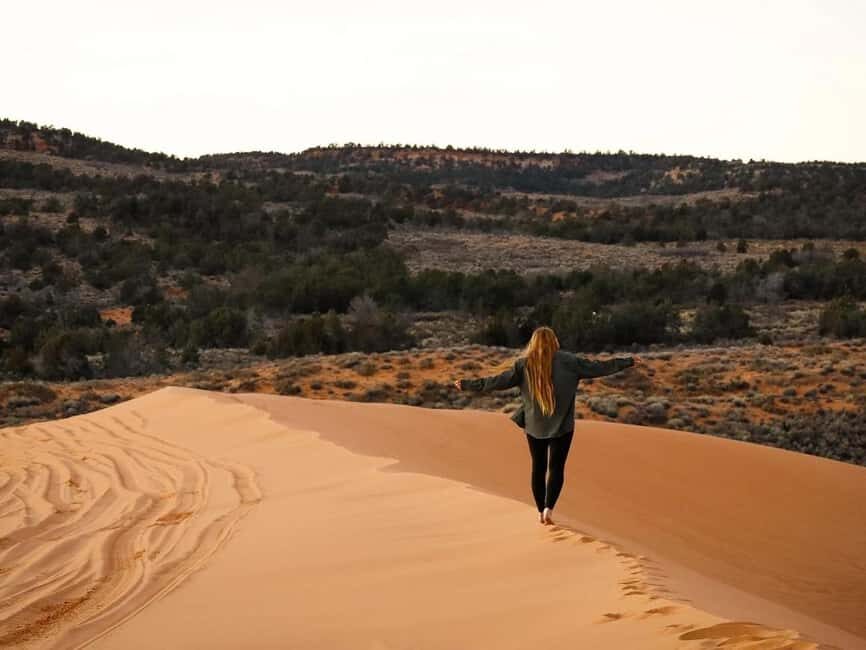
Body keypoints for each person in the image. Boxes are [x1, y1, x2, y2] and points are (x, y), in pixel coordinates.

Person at [454, 326, 642, 525]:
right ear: (554, 341)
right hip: (562, 426)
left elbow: (496, 382)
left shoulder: (524, 364)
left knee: (538, 467)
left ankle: (539, 511)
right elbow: (599, 367)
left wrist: (467, 385)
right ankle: (548, 509)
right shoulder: (570, 361)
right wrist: (627, 361)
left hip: (535, 426)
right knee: (556, 468)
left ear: (533, 343)